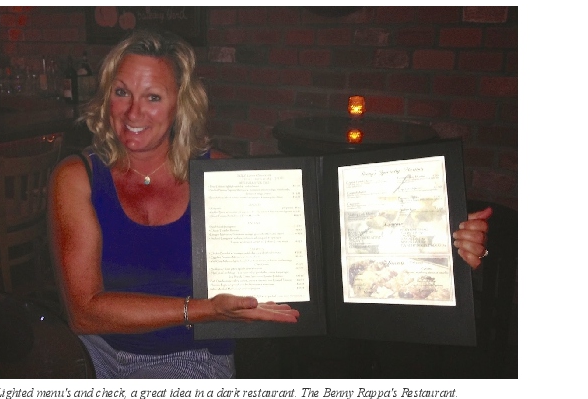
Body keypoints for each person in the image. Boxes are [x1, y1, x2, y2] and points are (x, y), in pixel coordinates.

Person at [49, 29, 490, 380]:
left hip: (194, 360)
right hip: (95, 359)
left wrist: (439, 244)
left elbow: (325, 254)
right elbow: (85, 312)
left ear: (180, 104)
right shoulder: (77, 176)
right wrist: (204, 309)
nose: (132, 112)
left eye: (152, 96)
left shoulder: (225, 177)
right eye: (121, 92)